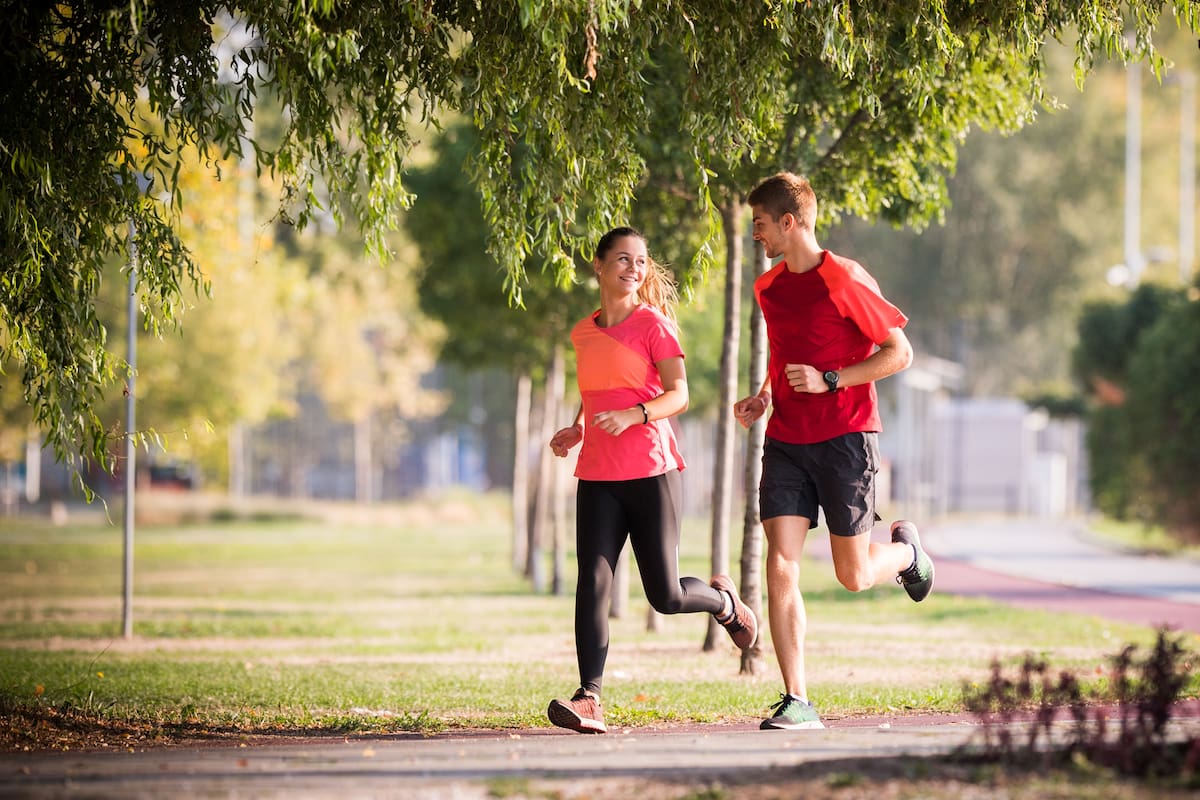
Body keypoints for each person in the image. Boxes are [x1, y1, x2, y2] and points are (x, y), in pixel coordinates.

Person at [733, 173, 935, 731]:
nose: (757, 236)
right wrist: (764, 396)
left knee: (853, 575)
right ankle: (797, 698)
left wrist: (831, 379)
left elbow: (900, 352)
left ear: (789, 223)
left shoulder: (844, 278)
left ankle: (908, 554)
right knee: (780, 564)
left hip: (847, 437)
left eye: (762, 225)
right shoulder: (768, 287)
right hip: (787, 441)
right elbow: (783, 353)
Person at [545, 226, 758, 735]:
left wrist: (637, 415)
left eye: (640, 261)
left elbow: (678, 395)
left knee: (664, 594)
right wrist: (577, 425)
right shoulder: (583, 331)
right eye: (622, 259)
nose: (633, 269)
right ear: (598, 266)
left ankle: (726, 604)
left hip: (651, 471)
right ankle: (589, 697)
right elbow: (597, 389)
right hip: (597, 472)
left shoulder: (653, 324)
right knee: (592, 582)